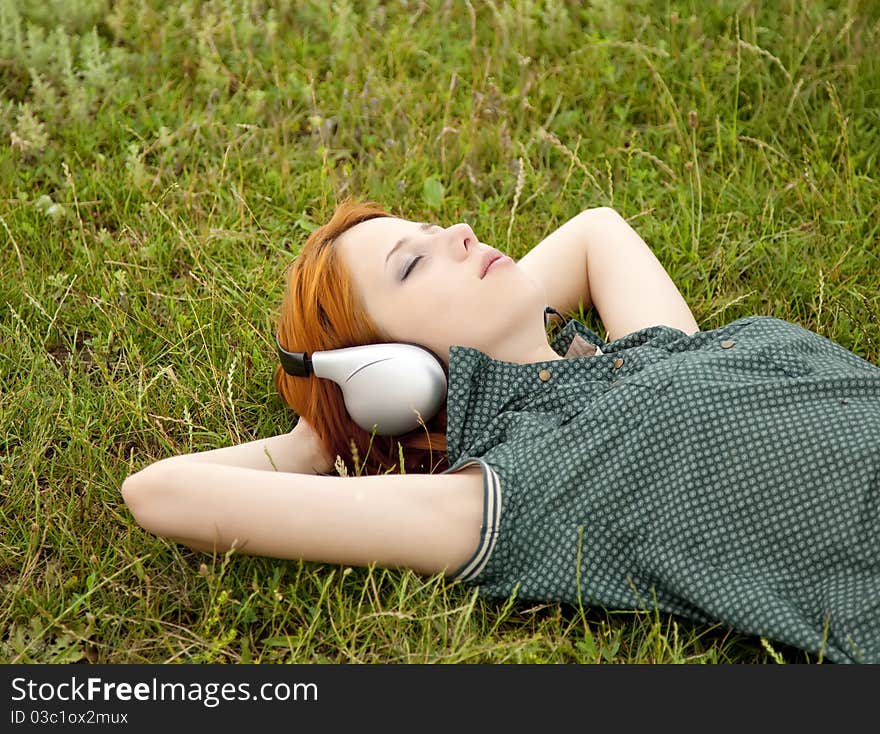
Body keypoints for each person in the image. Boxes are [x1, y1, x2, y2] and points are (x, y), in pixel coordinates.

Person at [121, 199, 880, 664]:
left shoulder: (655, 348)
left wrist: (488, 330)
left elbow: (596, 233)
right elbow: (158, 493)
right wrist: (324, 437)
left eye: (433, 228)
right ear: (382, 370)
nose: (458, 231)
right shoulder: (516, 487)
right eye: (411, 266)